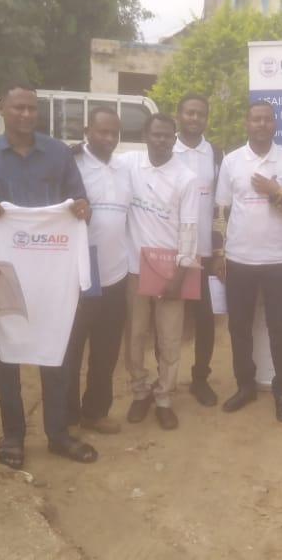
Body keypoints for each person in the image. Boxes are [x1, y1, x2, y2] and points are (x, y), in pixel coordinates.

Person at [0, 83, 92, 469]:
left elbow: (80, 200)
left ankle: (58, 434)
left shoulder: (58, 153)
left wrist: (82, 209)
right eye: (18, 107)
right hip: (3, 271)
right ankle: (13, 435)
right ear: (2, 109)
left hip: (52, 273)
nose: (25, 114)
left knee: (57, 351)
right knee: (8, 353)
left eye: (32, 108)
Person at [213, 100, 282, 422]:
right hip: (239, 258)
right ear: (247, 123)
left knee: (280, 328)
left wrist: (275, 190)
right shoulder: (231, 161)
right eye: (256, 119)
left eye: (267, 119)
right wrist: (219, 253)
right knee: (239, 327)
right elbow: (221, 210)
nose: (262, 124)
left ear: (275, 124)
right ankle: (245, 386)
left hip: (278, 259)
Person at [123, 113, 200, 430]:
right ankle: (140, 392)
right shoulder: (129, 164)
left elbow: (189, 228)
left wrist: (179, 276)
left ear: (174, 138)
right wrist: (76, 150)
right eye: (156, 134)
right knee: (135, 336)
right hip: (135, 269)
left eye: (168, 135)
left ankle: (165, 398)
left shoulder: (186, 177)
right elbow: (96, 159)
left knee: (169, 340)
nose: (162, 140)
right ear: (145, 135)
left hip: (170, 273)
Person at [64, 106, 131, 435]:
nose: (109, 138)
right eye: (102, 132)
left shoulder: (124, 168)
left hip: (115, 274)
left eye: (114, 133)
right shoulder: (71, 165)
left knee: (106, 350)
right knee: (71, 349)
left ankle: (95, 411)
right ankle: (66, 417)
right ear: (87, 132)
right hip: (80, 274)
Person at [171, 92, 222, 406]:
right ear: (179, 115)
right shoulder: (165, 147)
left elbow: (220, 207)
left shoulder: (215, 153)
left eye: (200, 113)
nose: (194, 118)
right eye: (189, 113)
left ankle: (200, 377)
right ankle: (163, 379)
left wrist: (218, 250)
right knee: (167, 319)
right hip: (168, 251)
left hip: (202, 252)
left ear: (206, 118)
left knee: (204, 319)